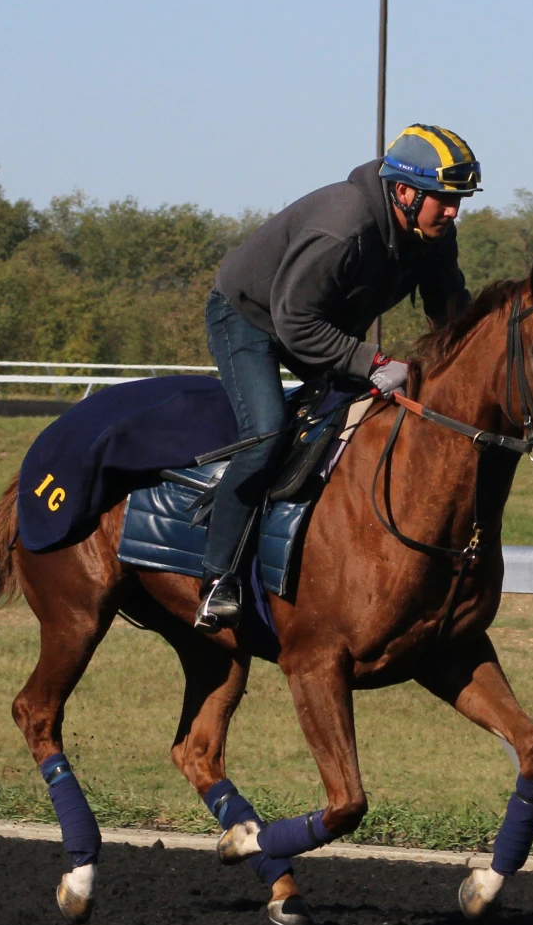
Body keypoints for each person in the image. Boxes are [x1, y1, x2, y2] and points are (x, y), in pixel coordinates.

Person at [193, 125, 479, 628]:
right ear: (405, 192)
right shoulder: (343, 228)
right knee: (265, 433)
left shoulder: (433, 234)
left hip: (316, 322)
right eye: (443, 199)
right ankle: (219, 577)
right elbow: (294, 324)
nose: (453, 211)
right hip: (251, 318)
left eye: (458, 200)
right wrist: (372, 362)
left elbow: (449, 311)